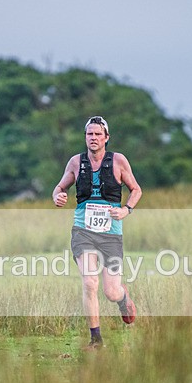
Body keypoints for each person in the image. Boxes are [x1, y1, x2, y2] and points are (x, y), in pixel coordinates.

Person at [53, 116, 142, 349]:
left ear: (106, 138)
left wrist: (126, 210)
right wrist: (58, 196)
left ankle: (123, 299)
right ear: (85, 137)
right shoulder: (76, 162)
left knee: (111, 291)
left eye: (97, 134)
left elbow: (136, 190)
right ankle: (96, 340)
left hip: (111, 233)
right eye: (89, 134)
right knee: (90, 282)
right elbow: (60, 187)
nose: (93, 138)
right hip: (83, 231)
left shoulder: (119, 161)